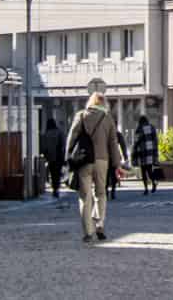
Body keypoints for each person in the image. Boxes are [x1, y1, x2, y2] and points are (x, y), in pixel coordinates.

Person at [66, 92, 126, 244]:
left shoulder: (81, 116)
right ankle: (99, 224)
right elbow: (113, 143)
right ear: (104, 103)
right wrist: (117, 164)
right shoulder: (108, 118)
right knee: (101, 193)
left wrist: (68, 157)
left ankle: (88, 231)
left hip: (84, 160)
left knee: (84, 196)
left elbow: (72, 137)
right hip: (102, 160)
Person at [132, 116, 160, 195]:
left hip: (142, 152)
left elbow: (136, 141)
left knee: (143, 171)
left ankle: (146, 189)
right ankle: (154, 183)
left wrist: (134, 150)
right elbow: (156, 140)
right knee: (149, 169)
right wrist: (155, 150)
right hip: (151, 152)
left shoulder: (139, 129)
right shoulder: (152, 127)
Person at [40, 117, 66, 198]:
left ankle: (54, 188)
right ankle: (56, 188)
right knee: (57, 174)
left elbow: (43, 147)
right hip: (59, 156)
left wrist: (45, 155)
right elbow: (63, 145)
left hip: (50, 157)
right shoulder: (59, 132)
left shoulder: (46, 134)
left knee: (52, 173)